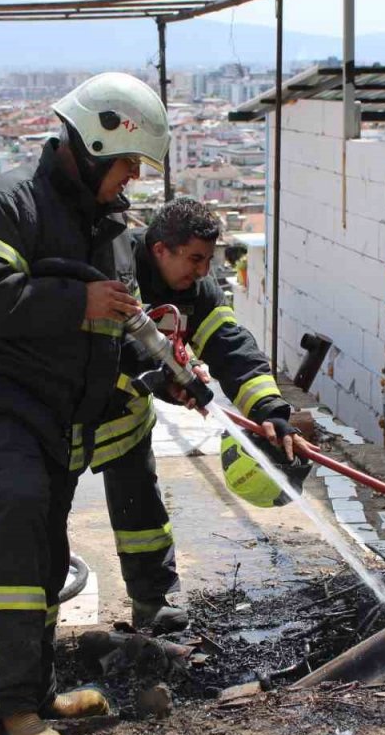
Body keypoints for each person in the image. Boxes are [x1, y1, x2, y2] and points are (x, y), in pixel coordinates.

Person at [0, 72, 170, 735]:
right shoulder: (12, 203)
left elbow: (116, 321)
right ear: (97, 141)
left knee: (41, 545)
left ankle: (33, 691)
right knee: (15, 509)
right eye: (127, 163)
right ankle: (5, 708)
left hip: (54, 413)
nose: (131, 179)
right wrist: (74, 303)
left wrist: (162, 369)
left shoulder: (110, 233)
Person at [89, 197, 316, 634]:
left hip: (123, 415)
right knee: (40, 503)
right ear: (160, 249)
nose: (201, 271)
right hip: (72, 410)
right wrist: (165, 377)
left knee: (139, 504)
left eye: (207, 260)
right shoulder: (114, 267)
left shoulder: (198, 292)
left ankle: (153, 603)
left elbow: (233, 350)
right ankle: (21, 613)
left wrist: (271, 410)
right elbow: (111, 347)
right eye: (194, 258)